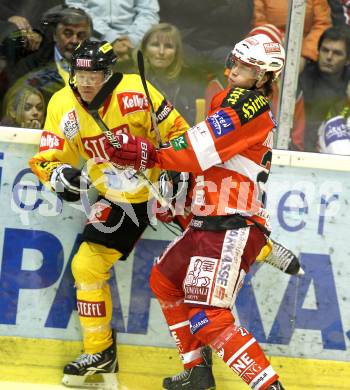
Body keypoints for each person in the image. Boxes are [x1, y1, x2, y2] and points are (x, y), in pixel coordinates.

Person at [102, 33, 287, 389]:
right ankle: (197, 373)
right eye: (235, 61)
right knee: (165, 279)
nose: (234, 71)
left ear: (264, 77)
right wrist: (181, 193)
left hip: (231, 224)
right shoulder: (226, 100)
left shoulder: (248, 106)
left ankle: (269, 387)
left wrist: (150, 154)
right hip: (209, 221)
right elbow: (211, 162)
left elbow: (201, 148)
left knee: (209, 317)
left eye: (247, 68)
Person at [28, 39, 189, 388]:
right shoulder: (63, 104)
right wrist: (56, 174)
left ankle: (199, 364)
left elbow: (178, 132)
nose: (85, 82)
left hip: (162, 188)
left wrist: (178, 172)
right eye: (79, 74)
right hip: (119, 198)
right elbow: (49, 155)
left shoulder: (137, 91)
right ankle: (100, 352)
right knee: (86, 265)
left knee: (200, 272)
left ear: (108, 73)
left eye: (94, 75)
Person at [3, 4, 93, 108]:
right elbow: (16, 103)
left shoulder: (98, 67)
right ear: (55, 35)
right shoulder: (30, 67)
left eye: (81, 35)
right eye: (68, 33)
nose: (74, 41)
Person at [291, 26, 350, 152]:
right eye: (325, 50)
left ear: (348, 60)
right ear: (318, 51)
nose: (329, 57)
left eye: (337, 53)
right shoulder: (302, 79)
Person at [139, 23, 206, 125]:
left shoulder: (192, 82)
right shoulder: (134, 82)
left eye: (168, 46)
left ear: (176, 52)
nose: (161, 52)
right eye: (155, 45)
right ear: (145, 49)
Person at [65, 0, 160, 60]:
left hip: (133, 44)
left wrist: (132, 39)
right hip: (93, 39)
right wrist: (111, 38)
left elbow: (149, 12)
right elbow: (76, 7)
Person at [253, 0, 332, 72]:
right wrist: (277, 46)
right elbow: (259, 22)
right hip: (269, 49)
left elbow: (322, 23)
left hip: (306, 56)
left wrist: (305, 55)